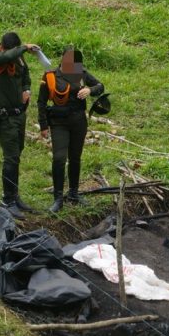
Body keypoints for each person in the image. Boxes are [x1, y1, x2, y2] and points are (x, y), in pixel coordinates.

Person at [38, 46, 105, 213]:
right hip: (59, 122)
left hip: (78, 120)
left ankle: (73, 193)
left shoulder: (81, 73)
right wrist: (43, 125)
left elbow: (100, 86)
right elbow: (41, 101)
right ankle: (58, 198)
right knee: (59, 158)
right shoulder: (50, 76)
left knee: (75, 157)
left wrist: (89, 90)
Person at [0, 32, 40, 219]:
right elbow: (6, 56)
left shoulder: (18, 59)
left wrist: (26, 90)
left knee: (17, 153)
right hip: (4, 117)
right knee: (11, 157)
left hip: (18, 114)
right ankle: (7, 200)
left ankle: (15, 197)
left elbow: (26, 75)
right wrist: (23, 48)